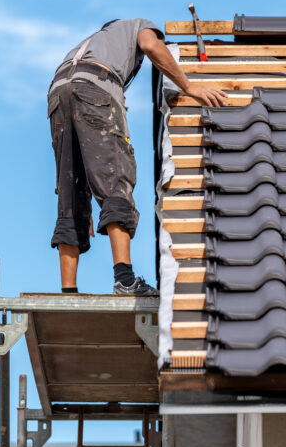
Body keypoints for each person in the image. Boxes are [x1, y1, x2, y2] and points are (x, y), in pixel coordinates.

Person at [47, 18, 227, 295]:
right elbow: (150, 45)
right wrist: (189, 86)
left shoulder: (92, 42)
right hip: (96, 89)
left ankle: (68, 291)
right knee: (115, 180)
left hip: (58, 93)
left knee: (71, 192)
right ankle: (125, 278)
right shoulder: (138, 25)